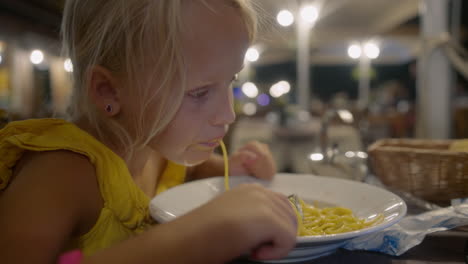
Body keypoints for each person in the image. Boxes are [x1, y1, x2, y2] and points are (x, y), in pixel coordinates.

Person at [0, 0, 298, 263]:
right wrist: (196, 236)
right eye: (199, 92)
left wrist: (233, 167)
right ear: (108, 91)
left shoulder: (154, 145)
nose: (228, 114)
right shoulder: (60, 175)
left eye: (230, 81)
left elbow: (189, 173)